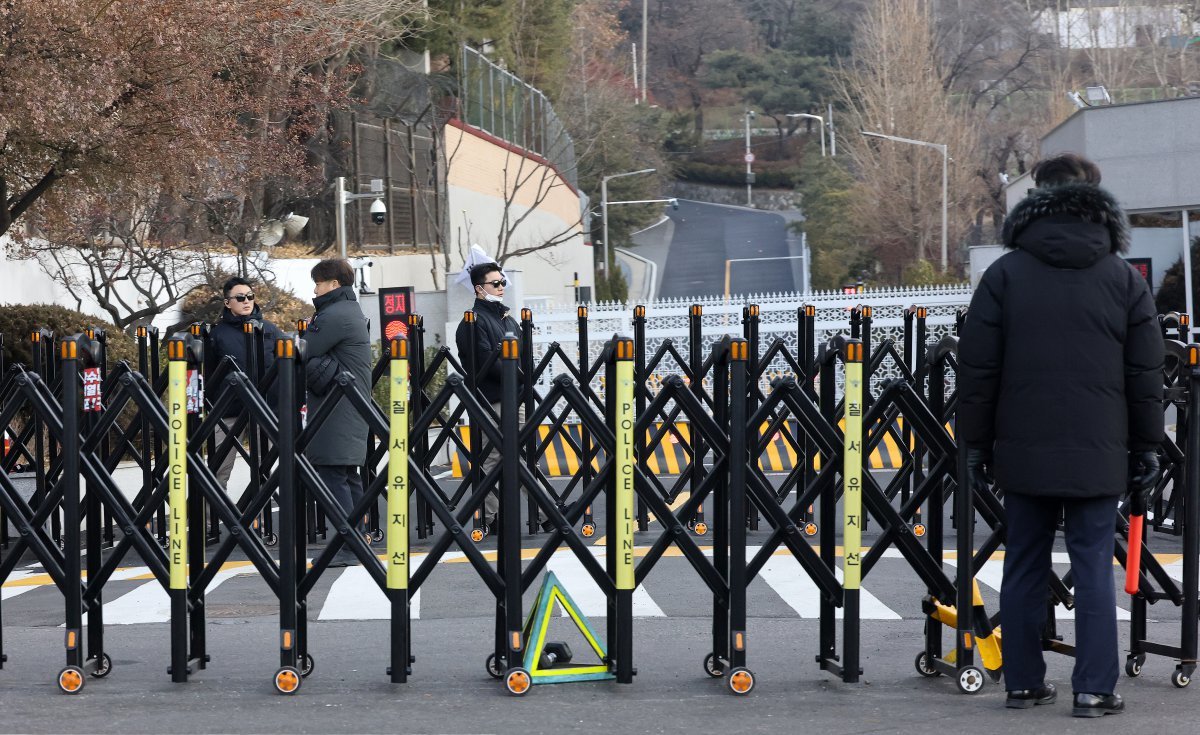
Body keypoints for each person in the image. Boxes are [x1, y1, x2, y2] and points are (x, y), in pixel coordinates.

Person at [958, 153, 1163, 717]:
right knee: (1093, 562)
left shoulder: (1004, 274)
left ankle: (1023, 682)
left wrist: (974, 444)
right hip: (1100, 446)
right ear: (1098, 202)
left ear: (1035, 200)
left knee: (1024, 560)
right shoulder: (1123, 278)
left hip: (1021, 445)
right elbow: (1145, 374)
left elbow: (978, 370)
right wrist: (1146, 445)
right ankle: (1095, 688)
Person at [454, 262, 544, 531]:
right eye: (496, 283)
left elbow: (524, 355)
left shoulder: (508, 319)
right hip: (493, 399)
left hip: (515, 398)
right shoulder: (473, 322)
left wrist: (523, 375)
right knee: (496, 457)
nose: (502, 287)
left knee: (517, 455)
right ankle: (492, 516)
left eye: (503, 282)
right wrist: (517, 373)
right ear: (480, 289)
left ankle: (495, 516)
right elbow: (483, 362)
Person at [304, 258, 373, 567]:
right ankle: (356, 541)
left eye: (318, 283)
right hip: (349, 404)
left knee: (333, 474)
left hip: (336, 407)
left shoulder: (333, 314)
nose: (315, 289)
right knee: (347, 475)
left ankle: (348, 544)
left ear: (333, 284)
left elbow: (304, 349)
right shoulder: (348, 310)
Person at [205, 277, 283, 493]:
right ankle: (211, 520)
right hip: (229, 409)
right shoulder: (217, 334)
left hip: (265, 407)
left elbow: (286, 366)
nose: (246, 301)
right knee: (218, 468)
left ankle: (258, 518)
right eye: (240, 298)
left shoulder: (270, 330)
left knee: (263, 469)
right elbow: (209, 374)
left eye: (250, 296)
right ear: (227, 303)